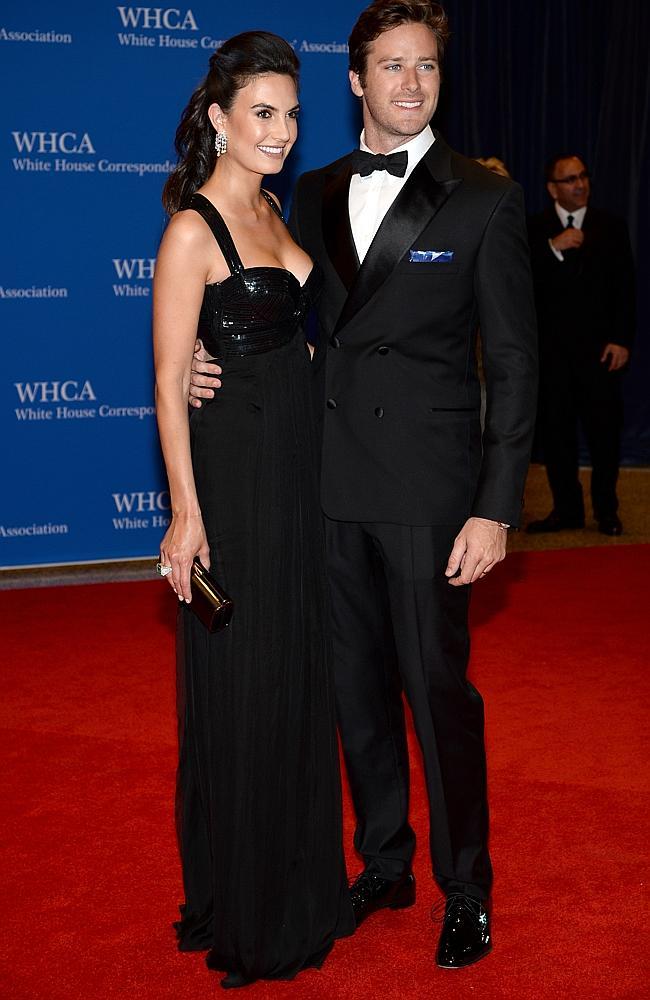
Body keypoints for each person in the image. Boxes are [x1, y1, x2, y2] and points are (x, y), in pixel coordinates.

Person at [191, 0, 537, 970]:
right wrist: (192, 361)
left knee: (435, 691)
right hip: (321, 486)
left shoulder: (481, 198)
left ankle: (464, 886)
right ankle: (383, 857)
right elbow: (264, 309)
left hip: (428, 495)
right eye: (390, 66)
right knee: (352, 693)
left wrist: (494, 504)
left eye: (424, 67)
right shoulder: (311, 189)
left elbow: (512, 362)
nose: (409, 84)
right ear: (354, 79)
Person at [153, 31, 353, 990]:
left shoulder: (276, 207)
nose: (281, 130)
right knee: (248, 684)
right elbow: (165, 382)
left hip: (300, 472)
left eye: (291, 113)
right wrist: (186, 517)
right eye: (262, 113)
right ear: (220, 119)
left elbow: (294, 340)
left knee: (299, 673)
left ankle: (303, 882)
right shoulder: (192, 230)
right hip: (237, 485)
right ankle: (248, 903)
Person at [526, 154, 636, 536]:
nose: (580, 184)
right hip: (552, 356)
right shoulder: (534, 229)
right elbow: (519, 284)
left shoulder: (611, 226)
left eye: (583, 176)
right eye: (570, 179)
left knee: (605, 436)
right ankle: (566, 510)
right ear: (552, 188)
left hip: (600, 354)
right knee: (557, 438)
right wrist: (553, 249)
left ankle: (607, 510)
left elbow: (626, 290)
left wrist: (622, 339)